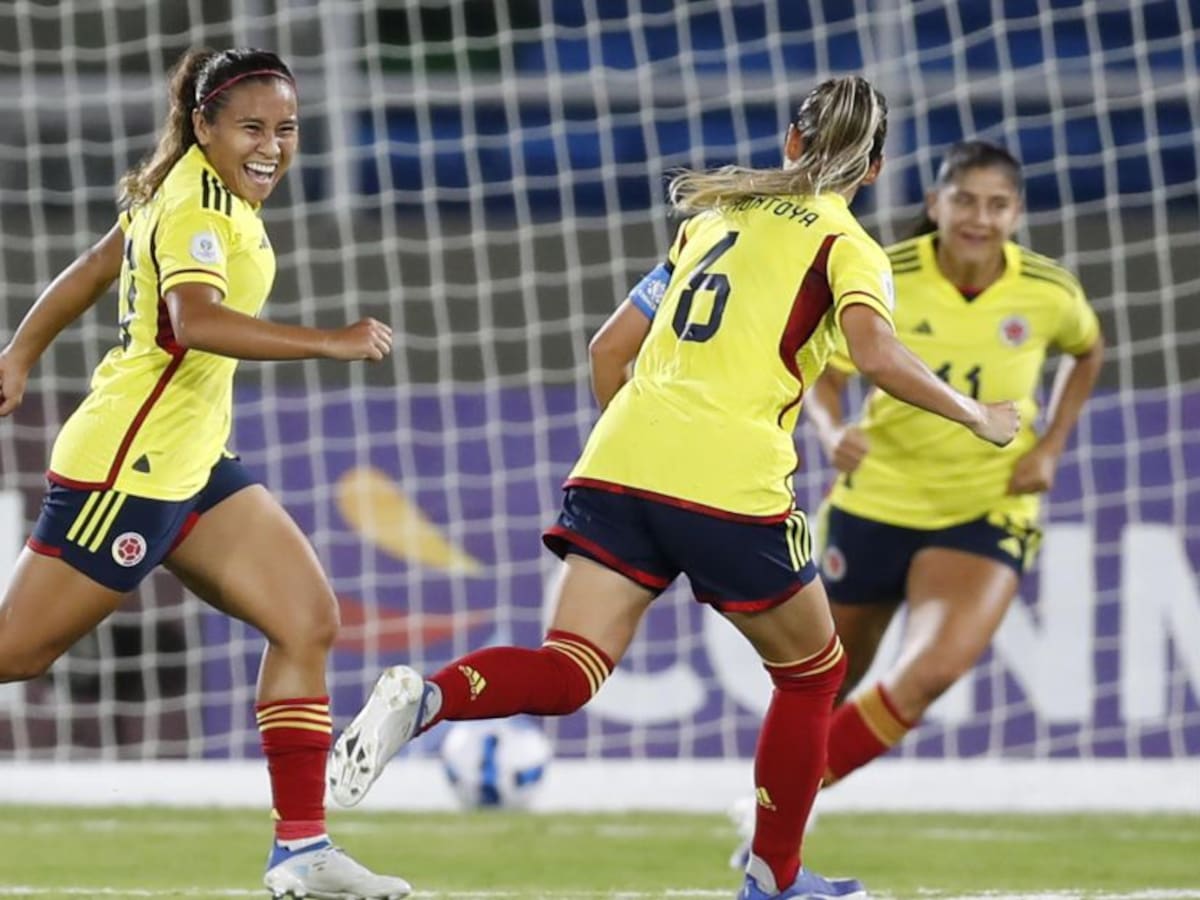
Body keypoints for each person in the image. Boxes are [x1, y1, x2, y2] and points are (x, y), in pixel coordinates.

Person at [328, 78, 1018, 900]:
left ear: (791, 142)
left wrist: (644, 454)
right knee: (811, 676)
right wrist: (977, 414)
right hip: (729, 479)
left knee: (569, 668)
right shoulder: (848, 247)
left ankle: (430, 697)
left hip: (619, 460)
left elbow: (604, 351)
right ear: (873, 172)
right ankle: (775, 878)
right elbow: (873, 355)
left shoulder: (709, 220)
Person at [0, 48, 410, 900]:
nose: (272, 146)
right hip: (129, 468)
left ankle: (301, 851)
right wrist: (328, 341)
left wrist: (18, 352)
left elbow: (94, 265)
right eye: (252, 128)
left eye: (286, 129)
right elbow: (195, 320)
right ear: (204, 127)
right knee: (14, 657)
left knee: (307, 619)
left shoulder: (194, 191)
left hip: (193, 464)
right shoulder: (192, 202)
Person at [807, 140, 1103, 787]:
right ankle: (779, 825)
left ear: (1017, 215)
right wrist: (830, 432)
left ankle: (773, 816)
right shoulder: (884, 275)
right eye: (965, 199)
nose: (980, 217)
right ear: (934, 203)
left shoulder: (1048, 291)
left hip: (986, 503)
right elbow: (822, 376)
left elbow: (1088, 350)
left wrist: (1051, 444)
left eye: (997, 205)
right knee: (823, 685)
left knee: (929, 673)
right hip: (875, 497)